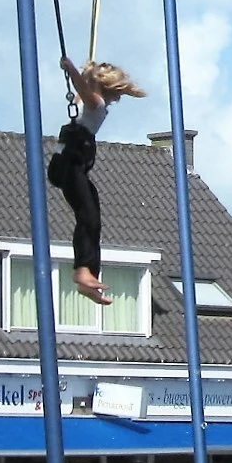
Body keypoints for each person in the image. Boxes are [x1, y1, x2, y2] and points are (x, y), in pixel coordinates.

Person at [48, 56, 147, 303]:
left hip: (69, 166)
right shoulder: (97, 104)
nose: (117, 100)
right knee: (88, 218)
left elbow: (84, 86)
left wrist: (83, 71)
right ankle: (83, 272)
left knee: (92, 220)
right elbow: (84, 88)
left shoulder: (90, 102)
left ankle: (88, 275)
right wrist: (74, 70)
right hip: (70, 166)